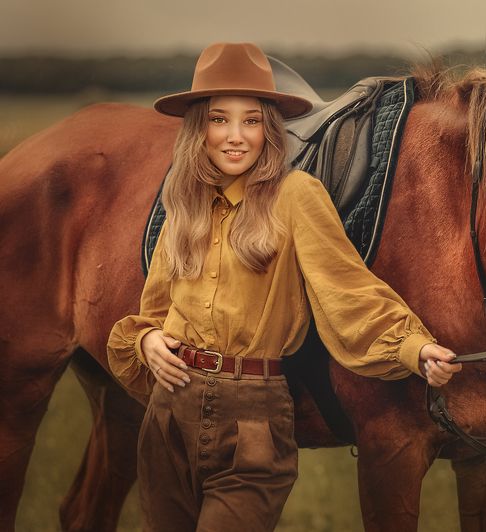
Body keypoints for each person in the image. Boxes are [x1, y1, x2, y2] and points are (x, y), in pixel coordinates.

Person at [106, 42, 461, 531]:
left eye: (251, 121)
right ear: (198, 129)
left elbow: (347, 289)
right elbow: (154, 311)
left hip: (252, 418)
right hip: (170, 413)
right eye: (219, 120)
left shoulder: (296, 196)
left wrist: (413, 349)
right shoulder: (184, 203)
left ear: (269, 128)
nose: (235, 137)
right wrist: (144, 340)